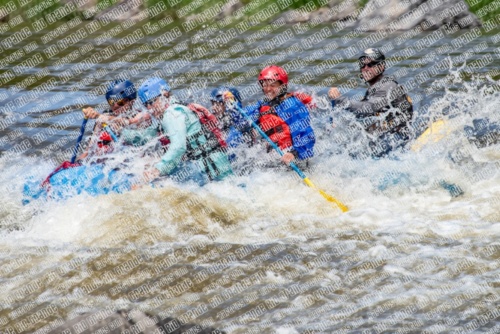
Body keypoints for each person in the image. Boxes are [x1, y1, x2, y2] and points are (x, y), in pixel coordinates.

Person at [131, 78, 233, 185]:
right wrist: (126, 124)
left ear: (164, 95)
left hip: (209, 172)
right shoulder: (178, 108)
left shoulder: (172, 113)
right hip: (216, 166)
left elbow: (179, 147)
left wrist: (156, 171)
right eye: (146, 104)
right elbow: (147, 136)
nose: (149, 108)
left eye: (152, 102)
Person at [328, 48, 414, 157]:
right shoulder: (373, 90)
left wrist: (340, 99)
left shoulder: (388, 86)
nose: (365, 68)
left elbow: (368, 108)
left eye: (371, 64)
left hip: (397, 145)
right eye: (362, 65)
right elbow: (361, 115)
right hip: (385, 143)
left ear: (382, 66)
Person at [231, 65, 316, 168]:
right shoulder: (263, 104)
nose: (268, 89)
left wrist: (293, 153)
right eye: (265, 85)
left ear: (282, 85)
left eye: (273, 85)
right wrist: (233, 103)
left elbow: (307, 135)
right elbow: (241, 118)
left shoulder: (292, 105)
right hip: (274, 160)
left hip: (295, 161)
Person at [79, 79, 151, 159]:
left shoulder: (142, 115)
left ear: (132, 101)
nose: (115, 106)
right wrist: (75, 164)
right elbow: (88, 150)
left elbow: (128, 122)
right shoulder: (103, 118)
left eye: (120, 101)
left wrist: (101, 116)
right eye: (112, 102)